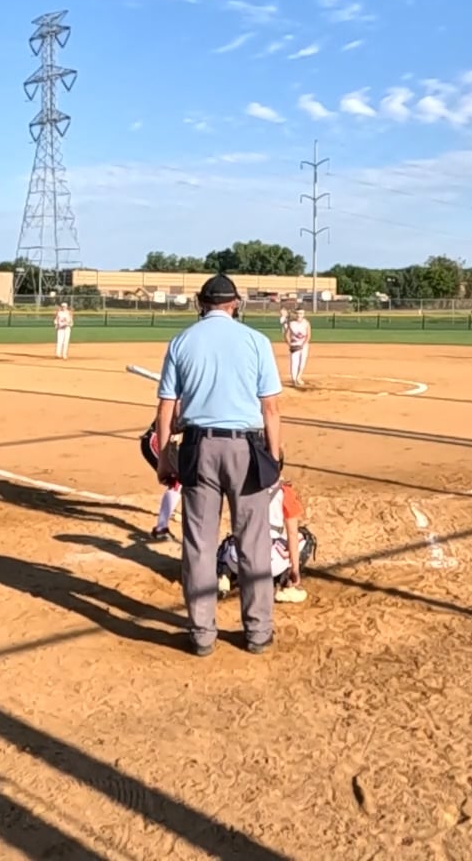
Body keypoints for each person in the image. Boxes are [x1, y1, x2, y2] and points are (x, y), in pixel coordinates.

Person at [154, 273, 285, 657]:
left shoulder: (181, 341)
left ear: (201, 303)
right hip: (246, 449)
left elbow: (165, 408)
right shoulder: (256, 341)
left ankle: (201, 634)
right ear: (235, 303)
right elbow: (271, 408)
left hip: (198, 448)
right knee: (253, 542)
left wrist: (164, 458)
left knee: (199, 544)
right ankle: (258, 632)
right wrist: (274, 456)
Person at [217, 477, 315, 604]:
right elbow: (292, 534)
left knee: (228, 542)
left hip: (238, 557)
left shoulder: (243, 483)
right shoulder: (285, 491)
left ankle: (224, 576)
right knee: (305, 537)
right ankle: (286, 585)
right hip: (270, 561)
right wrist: (295, 570)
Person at [138, 411, 182, 541]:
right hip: (156, 441)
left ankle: (171, 508)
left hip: (168, 443)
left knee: (185, 476)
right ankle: (161, 529)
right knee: (177, 480)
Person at [285, 307, 312, 387]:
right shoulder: (291, 323)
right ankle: (294, 379)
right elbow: (287, 335)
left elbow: (308, 335)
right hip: (294, 345)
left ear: (303, 314)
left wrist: (303, 345)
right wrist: (290, 344)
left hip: (303, 345)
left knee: (302, 362)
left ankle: (298, 377)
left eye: (301, 313)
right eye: (297, 313)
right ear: (295, 314)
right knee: (294, 362)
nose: (299, 315)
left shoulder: (306, 323)